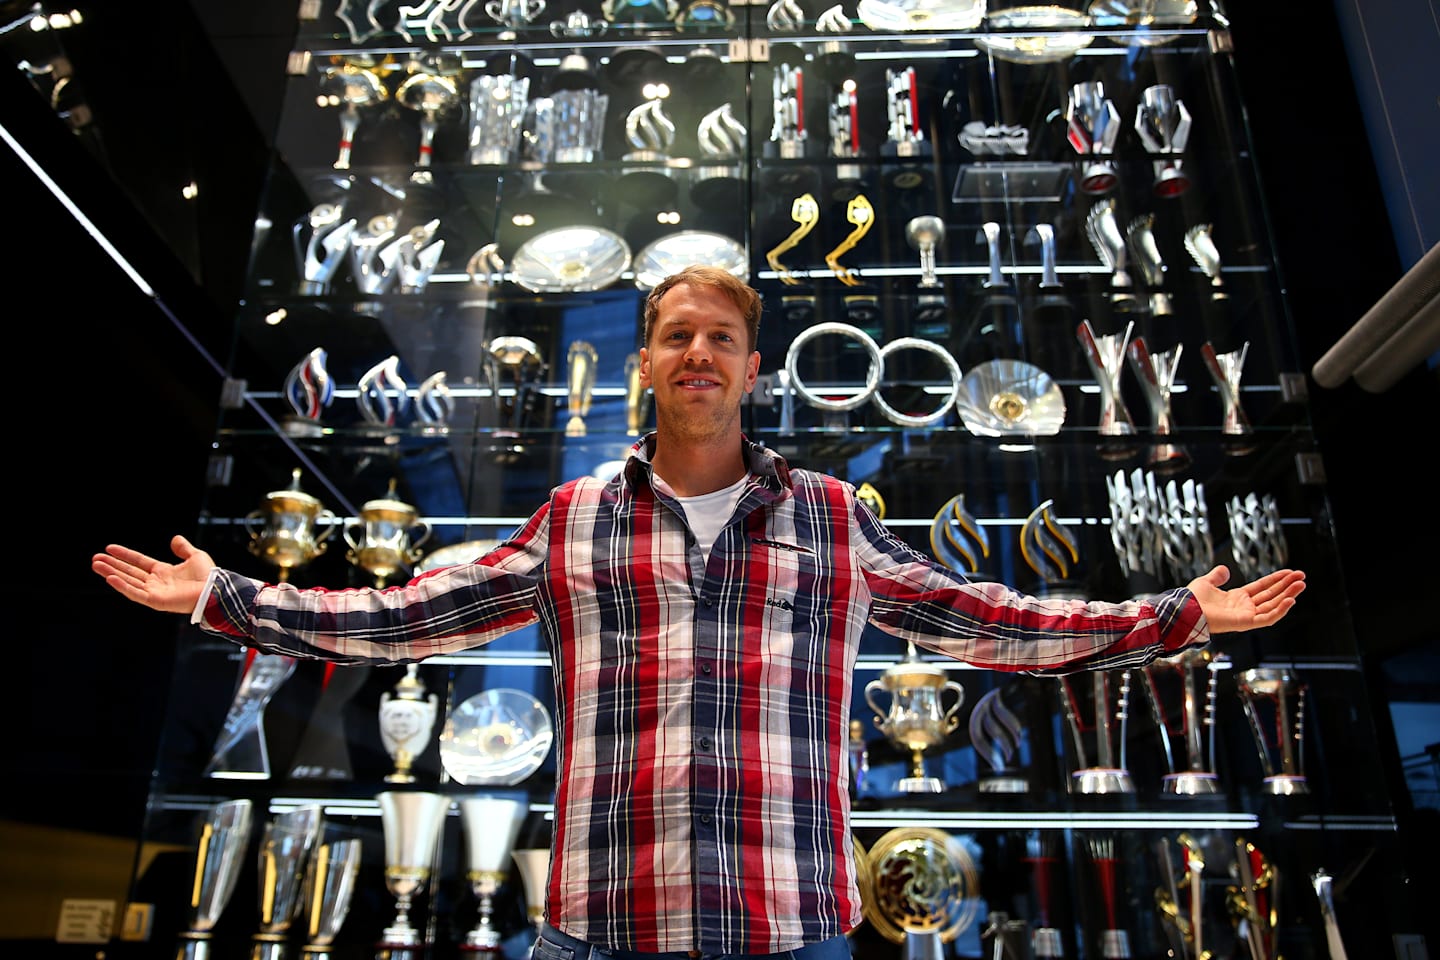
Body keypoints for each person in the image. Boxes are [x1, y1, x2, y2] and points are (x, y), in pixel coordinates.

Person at [93, 264, 1306, 960]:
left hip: (793, 928)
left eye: (721, 338)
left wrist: (1170, 618)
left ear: (752, 369)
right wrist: (232, 599)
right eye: (676, 336)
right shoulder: (571, 516)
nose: (697, 355)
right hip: (597, 926)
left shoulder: (831, 516)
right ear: (647, 363)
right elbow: (415, 612)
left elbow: (983, 618)